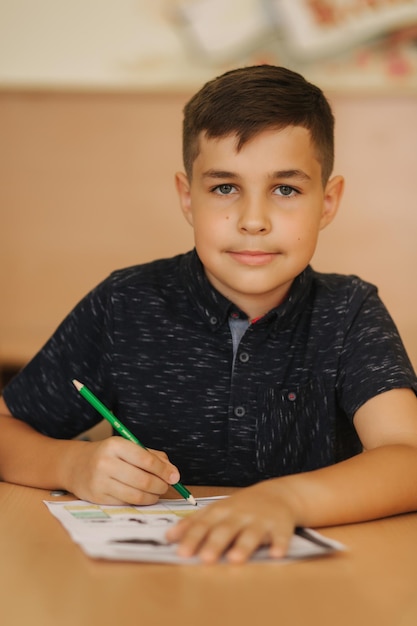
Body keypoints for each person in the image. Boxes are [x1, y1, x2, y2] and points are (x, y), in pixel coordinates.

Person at [1, 65, 417, 564]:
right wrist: (70, 464)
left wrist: (286, 499)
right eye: (225, 188)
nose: (253, 221)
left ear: (327, 203)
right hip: (150, 591)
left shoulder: (350, 311)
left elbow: (408, 458)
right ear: (187, 197)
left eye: (285, 189)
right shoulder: (125, 302)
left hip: (308, 590)